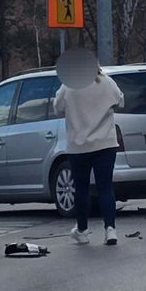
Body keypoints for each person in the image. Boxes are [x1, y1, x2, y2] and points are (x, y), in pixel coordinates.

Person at [53, 65, 124, 246]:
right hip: (105, 143)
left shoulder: (68, 86)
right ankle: (110, 229)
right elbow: (120, 101)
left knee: (81, 188)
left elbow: (57, 108)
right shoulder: (107, 82)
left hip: (79, 145)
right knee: (105, 187)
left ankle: (82, 230)